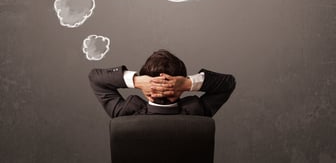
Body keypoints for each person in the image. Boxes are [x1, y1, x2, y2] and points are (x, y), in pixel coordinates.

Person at [88, 49, 236, 117]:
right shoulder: (197, 112)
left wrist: (136, 81)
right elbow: (228, 83)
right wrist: (187, 83)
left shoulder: (125, 113)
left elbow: (95, 78)